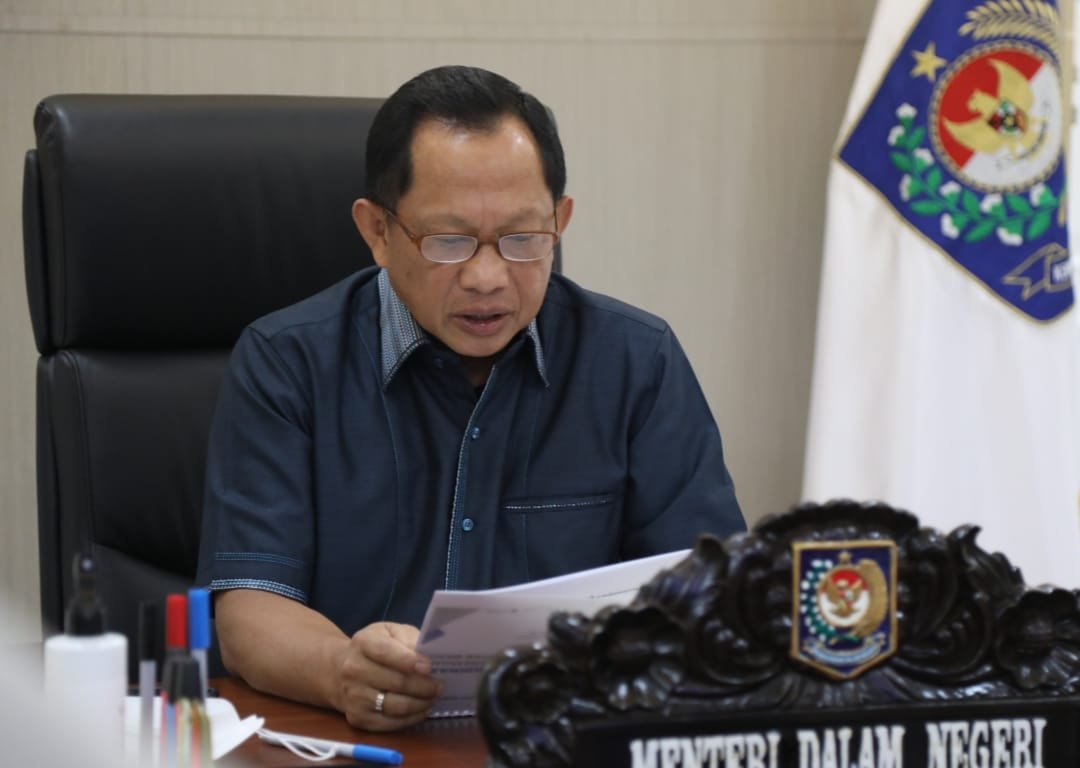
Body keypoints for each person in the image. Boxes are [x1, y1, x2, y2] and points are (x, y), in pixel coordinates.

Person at [196, 66, 744, 731]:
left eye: (523, 239)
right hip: (355, 746)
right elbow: (250, 613)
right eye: (450, 242)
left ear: (561, 222)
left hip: (565, 750)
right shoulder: (287, 363)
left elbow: (710, 598)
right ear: (377, 231)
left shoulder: (635, 361)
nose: (487, 277)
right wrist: (345, 670)